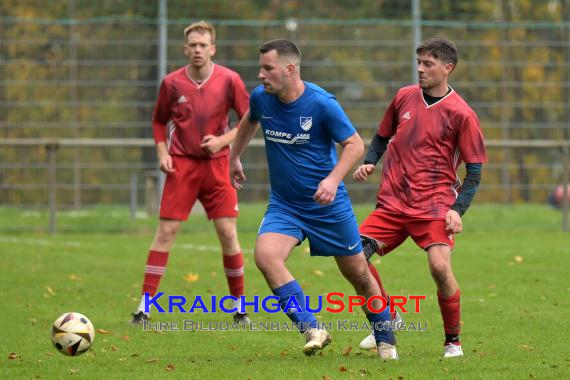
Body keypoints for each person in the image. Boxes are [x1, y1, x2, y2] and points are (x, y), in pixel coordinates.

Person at [229, 39, 397, 359]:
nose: (261, 75)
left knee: (358, 273)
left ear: (290, 69)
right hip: (285, 205)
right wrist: (234, 157)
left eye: (268, 68)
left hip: (327, 206)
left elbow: (354, 145)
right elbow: (249, 121)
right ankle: (312, 327)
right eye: (260, 68)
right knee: (266, 257)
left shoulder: (322, 104)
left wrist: (333, 181)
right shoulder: (261, 98)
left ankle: (385, 336)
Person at [353, 37, 487, 358]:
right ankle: (388, 317)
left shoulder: (462, 114)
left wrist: (458, 210)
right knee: (354, 258)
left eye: (428, 64)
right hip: (393, 204)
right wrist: (371, 160)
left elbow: (475, 172)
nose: (420, 69)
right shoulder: (403, 97)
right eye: (419, 62)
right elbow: (382, 136)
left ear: (447, 68)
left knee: (440, 268)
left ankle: (452, 341)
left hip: (435, 206)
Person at [130, 21, 251, 325]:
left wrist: (223, 141)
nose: (197, 50)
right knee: (166, 233)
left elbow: (249, 119)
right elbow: (158, 121)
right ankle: (144, 308)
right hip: (181, 166)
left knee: (227, 234)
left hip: (217, 166)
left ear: (213, 48)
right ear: (185, 49)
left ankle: (239, 309)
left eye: (203, 45)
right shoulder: (171, 83)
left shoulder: (229, 80)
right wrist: (162, 153)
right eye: (192, 45)